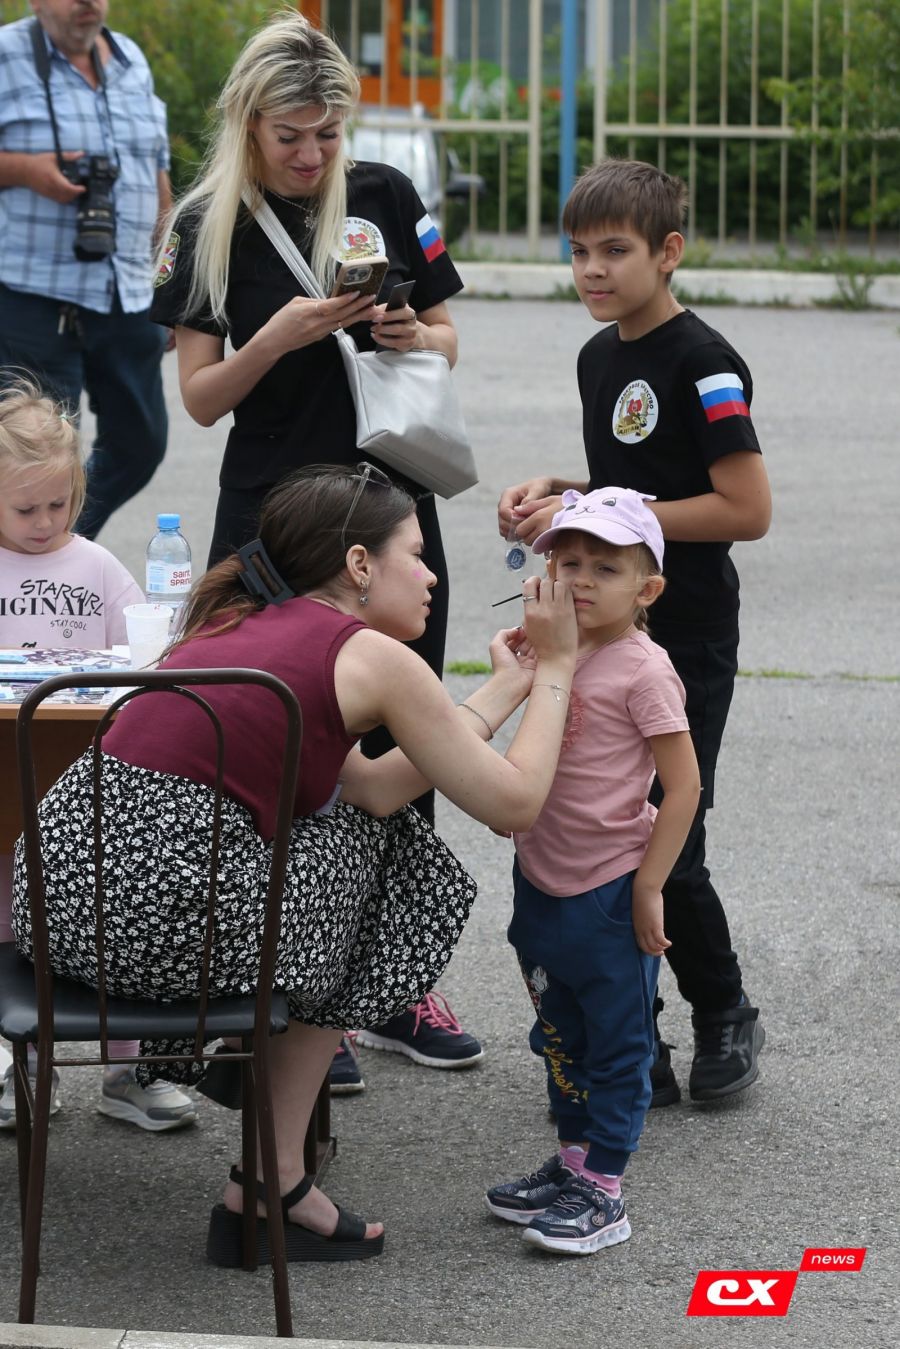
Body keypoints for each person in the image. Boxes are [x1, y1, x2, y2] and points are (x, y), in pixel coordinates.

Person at [12, 462, 577, 1262]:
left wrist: (502, 688)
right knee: (390, 858)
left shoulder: (237, 622)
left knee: (360, 831)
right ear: (357, 566)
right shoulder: (368, 657)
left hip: (55, 916)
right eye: (414, 555)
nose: (431, 575)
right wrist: (555, 667)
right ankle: (269, 1176)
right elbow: (515, 803)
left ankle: (269, 1163)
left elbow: (377, 786)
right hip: (156, 932)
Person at [149, 7, 479, 1078]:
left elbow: (447, 336)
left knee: (403, 730)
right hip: (274, 508)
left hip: (387, 500)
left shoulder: (384, 194)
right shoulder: (206, 219)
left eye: (327, 133)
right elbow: (198, 398)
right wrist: (280, 336)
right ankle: (286, 991)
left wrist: (407, 331)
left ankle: (394, 985)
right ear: (248, 123)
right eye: (291, 134)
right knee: (271, 741)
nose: (311, 154)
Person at [497, 159, 772, 1107]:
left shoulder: (706, 362)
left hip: (682, 636)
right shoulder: (599, 356)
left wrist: (613, 512)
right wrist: (564, 497)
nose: (592, 271)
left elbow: (745, 505)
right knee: (598, 831)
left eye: (614, 251)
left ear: (669, 253)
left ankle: (724, 1008)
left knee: (666, 837)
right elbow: (633, 481)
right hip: (594, 633)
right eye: (577, 252)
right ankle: (632, 1037)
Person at [485, 488, 700, 1254]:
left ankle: (605, 1187)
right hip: (539, 879)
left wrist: (649, 885)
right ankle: (574, 1160)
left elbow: (685, 786)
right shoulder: (548, 650)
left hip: (608, 889)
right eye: (567, 560)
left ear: (647, 589)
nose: (578, 577)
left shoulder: (646, 670)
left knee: (617, 1045)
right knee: (558, 1032)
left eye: (603, 567)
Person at [0, 376, 196, 1132]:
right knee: (11, 928)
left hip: (91, 791)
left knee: (107, 922)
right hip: (6, 786)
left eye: (60, 503)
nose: (46, 522)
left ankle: (129, 1067)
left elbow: (152, 656)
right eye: (25, 509)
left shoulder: (99, 567)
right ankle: (20, 1064)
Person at [0, 0, 170, 540]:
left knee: (141, 444)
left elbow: (155, 169)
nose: (86, 3)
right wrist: (26, 170)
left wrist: (167, 281)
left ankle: (61, 547)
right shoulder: (5, 56)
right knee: (30, 455)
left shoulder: (131, 60)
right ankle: (26, 578)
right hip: (33, 295)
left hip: (126, 289)